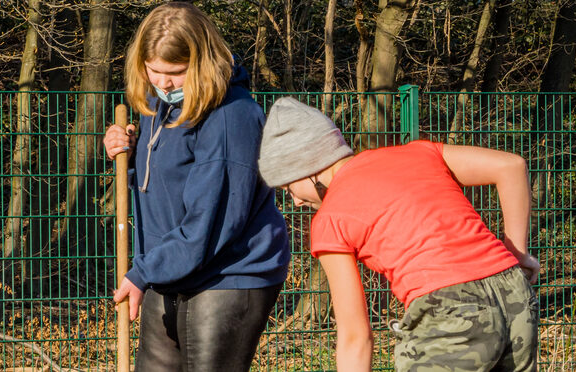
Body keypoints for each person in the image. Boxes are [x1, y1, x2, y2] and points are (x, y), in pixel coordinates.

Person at [256, 98, 539, 372]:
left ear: (307, 168)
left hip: (450, 313)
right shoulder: (418, 153)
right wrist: (516, 253)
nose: (294, 201)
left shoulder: (329, 219)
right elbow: (510, 166)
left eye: (288, 187)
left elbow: (355, 336)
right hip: (513, 294)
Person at [99, 2, 292, 371]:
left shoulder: (230, 118)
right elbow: (167, 184)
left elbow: (210, 218)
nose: (162, 82)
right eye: (153, 70)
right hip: (167, 268)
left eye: (175, 72)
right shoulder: (158, 105)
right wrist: (129, 156)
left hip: (227, 274)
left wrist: (141, 273)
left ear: (201, 63)